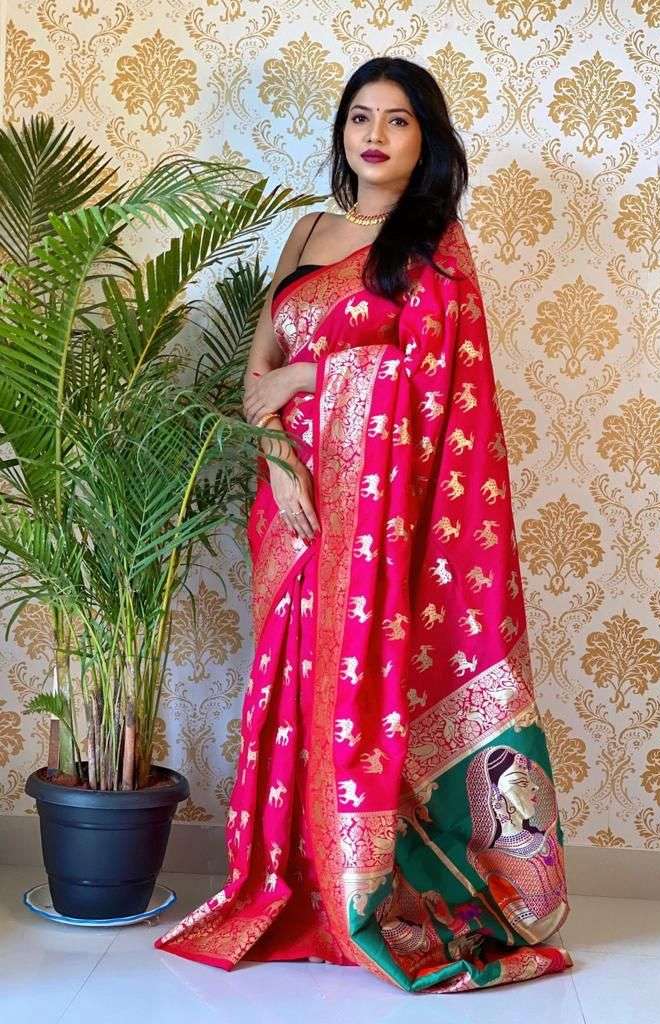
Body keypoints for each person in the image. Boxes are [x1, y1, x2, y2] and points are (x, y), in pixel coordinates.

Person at [154, 56, 573, 993]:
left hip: (383, 519)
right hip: (294, 501)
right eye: (359, 117)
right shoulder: (307, 231)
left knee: (360, 678)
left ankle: (370, 886)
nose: (373, 135)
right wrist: (278, 454)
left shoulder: (436, 247)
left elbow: (437, 387)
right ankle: (295, 879)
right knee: (295, 683)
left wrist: (311, 378)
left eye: (397, 120)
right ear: (342, 132)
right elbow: (256, 376)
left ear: (426, 141)